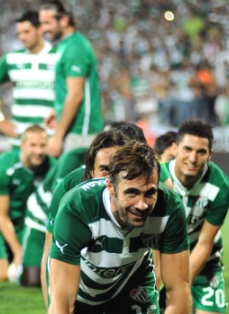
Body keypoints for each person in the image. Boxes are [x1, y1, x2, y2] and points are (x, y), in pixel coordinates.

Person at [35, 142, 192, 314]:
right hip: (83, 289)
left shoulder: (170, 208)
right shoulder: (77, 207)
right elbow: (61, 298)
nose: (142, 204)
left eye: (150, 193)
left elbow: (179, 289)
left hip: (132, 280)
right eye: (132, 193)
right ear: (110, 186)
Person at [36, 122, 147, 298]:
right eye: (105, 170)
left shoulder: (150, 188)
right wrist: (52, 307)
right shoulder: (69, 188)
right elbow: (50, 252)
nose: (111, 177)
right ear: (91, 170)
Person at [163, 119, 229, 314]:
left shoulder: (221, 187)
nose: (193, 158)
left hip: (201, 255)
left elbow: (204, 243)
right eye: (187, 149)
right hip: (164, 253)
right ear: (175, 148)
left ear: (210, 154)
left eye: (201, 152)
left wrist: (179, 287)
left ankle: (189, 310)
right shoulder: (158, 178)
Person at [0, 124, 55, 283]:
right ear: (22, 145)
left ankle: (4, 255)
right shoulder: (4, 166)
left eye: (42, 145)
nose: (38, 151)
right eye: (33, 145)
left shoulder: (52, 167)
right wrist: (18, 252)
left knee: (38, 268)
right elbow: (1, 216)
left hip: (23, 222)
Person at [0, 11, 56, 149]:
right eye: (19, 33)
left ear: (40, 29)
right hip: (20, 139)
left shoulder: (59, 56)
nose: (22, 37)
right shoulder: (12, 59)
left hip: (50, 139)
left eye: (27, 32)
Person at [39, 0, 103, 157]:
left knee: (75, 173)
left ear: (64, 20)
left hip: (81, 132)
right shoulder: (65, 45)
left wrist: (58, 136)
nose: (43, 29)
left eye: (47, 23)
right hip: (73, 130)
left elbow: (75, 95)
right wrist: (58, 111)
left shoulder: (75, 47)